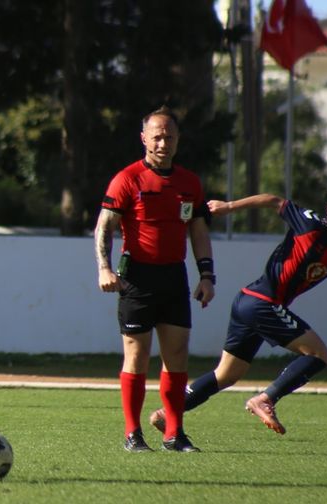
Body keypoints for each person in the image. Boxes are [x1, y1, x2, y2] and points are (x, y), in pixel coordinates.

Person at [148, 189, 327, 435]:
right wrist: (229, 206)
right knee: (318, 353)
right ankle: (265, 399)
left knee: (226, 375)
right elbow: (274, 201)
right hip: (262, 302)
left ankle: (167, 414)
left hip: (249, 302)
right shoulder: (311, 224)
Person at [95, 106, 215, 453]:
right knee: (137, 355)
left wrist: (207, 275)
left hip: (174, 276)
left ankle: (174, 434)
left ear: (178, 140)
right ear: (144, 138)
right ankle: (133, 434)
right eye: (157, 136)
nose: (163, 143)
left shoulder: (190, 183)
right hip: (137, 277)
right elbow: (104, 226)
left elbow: (198, 231)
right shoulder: (127, 179)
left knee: (177, 355)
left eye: (169, 137)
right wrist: (104, 268)